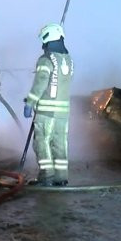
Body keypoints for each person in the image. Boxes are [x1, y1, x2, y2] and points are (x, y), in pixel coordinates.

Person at [24, 23, 74, 186]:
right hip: (63, 114)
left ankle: (46, 177)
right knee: (60, 144)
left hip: (46, 112)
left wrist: (30, 102)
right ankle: (61, 177)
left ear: (47, 39)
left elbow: (40, 83)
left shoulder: (45, 60)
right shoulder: (69, 60)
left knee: (42, 142)